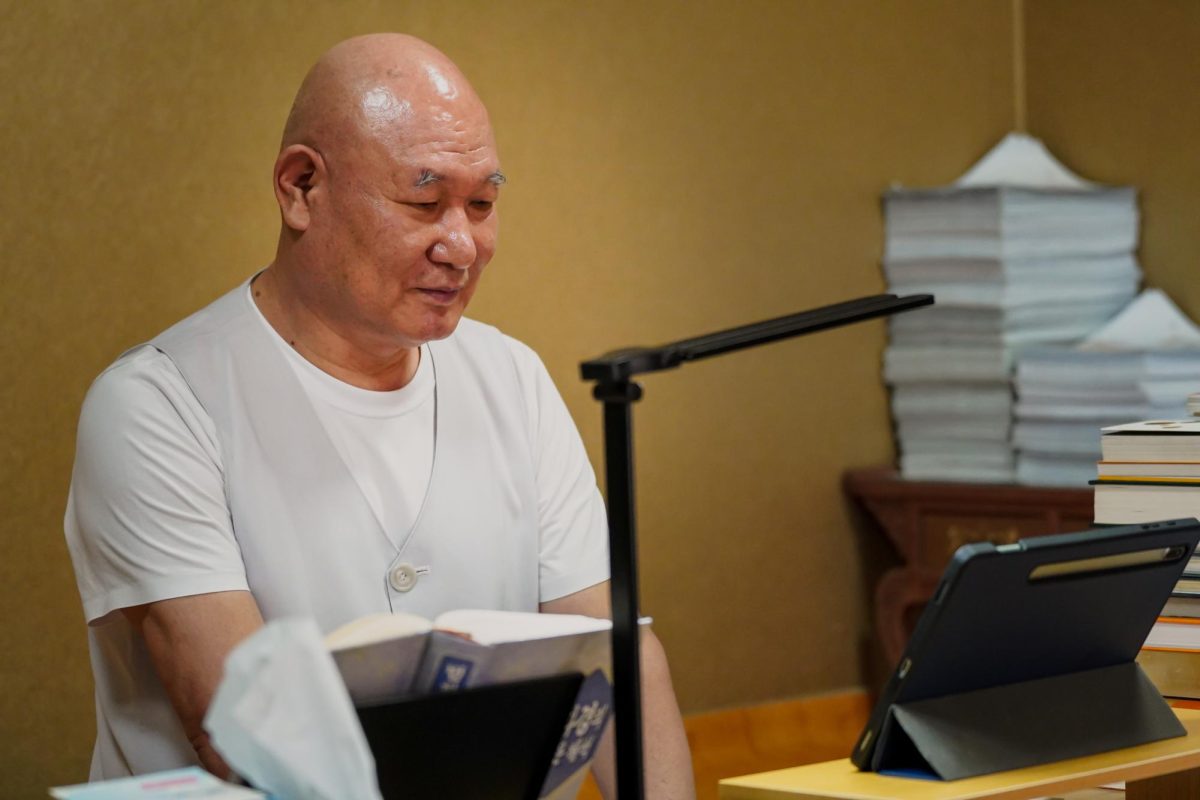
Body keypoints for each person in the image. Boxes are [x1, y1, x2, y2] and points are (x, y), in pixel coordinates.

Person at [65, 33, 695, 798]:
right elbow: (239, 728)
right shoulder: (156, 405)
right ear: (301, 187)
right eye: (424, 202)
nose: (462, 245)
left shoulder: (513, 380)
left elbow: (615, 659)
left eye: (484, 204)